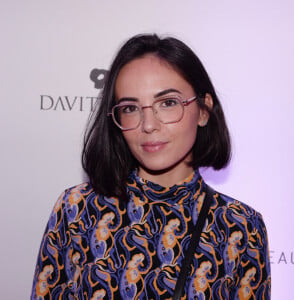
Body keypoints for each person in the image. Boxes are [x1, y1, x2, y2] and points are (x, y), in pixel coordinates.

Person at [31, 34, 271, 299]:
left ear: (203, 110)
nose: (148, 124)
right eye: (130, 108)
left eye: (167, 103)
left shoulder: (241, 226)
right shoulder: (76, 209)